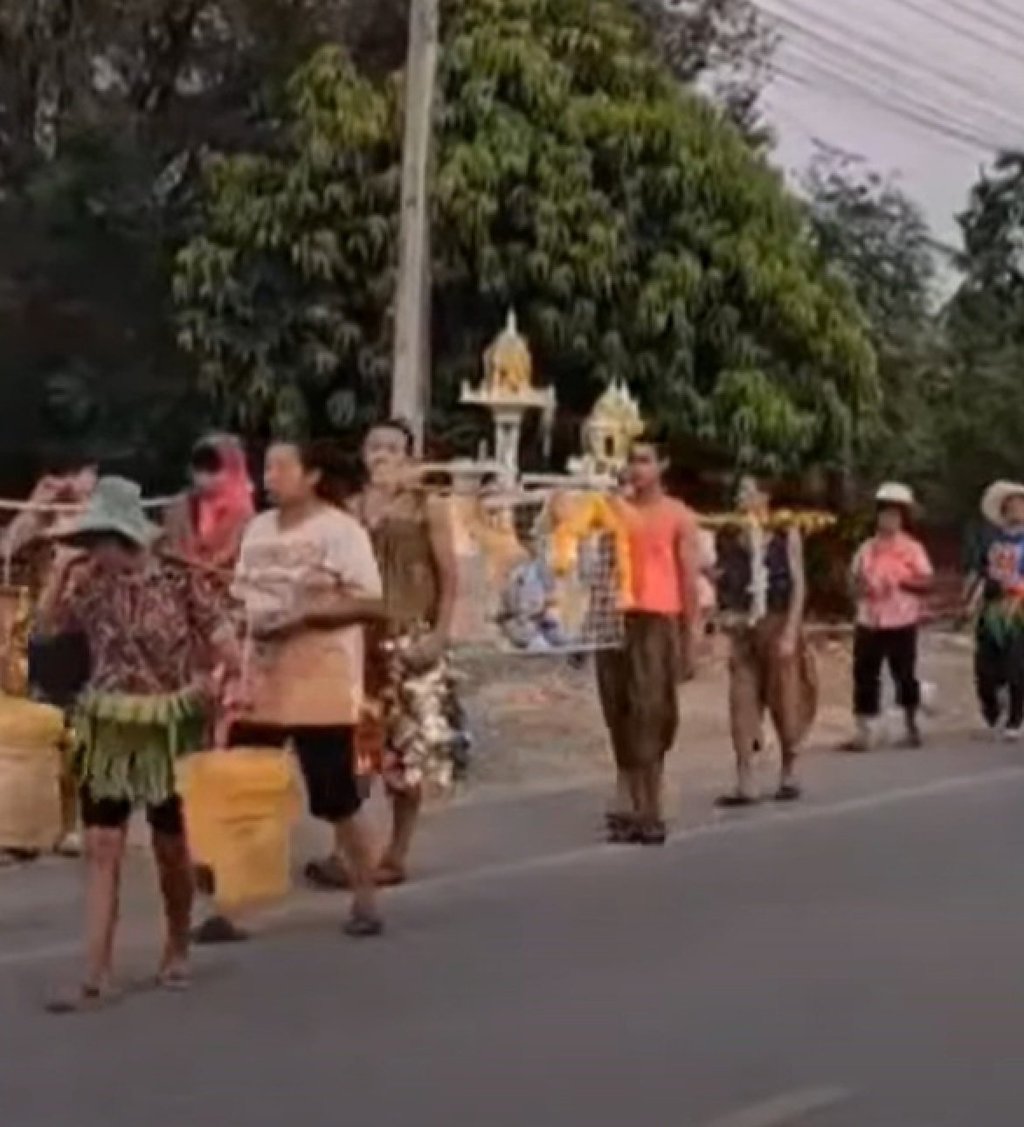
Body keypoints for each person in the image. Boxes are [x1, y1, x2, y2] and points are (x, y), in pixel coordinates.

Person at [34, 477, 240, 1013]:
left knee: (170, 847)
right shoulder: (89, 583)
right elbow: (46, 629)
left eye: (100, 538)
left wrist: (209, 684)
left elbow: (226, 645)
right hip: (108, 723)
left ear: (122, 535)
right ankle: (96, 971)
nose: (94, 550)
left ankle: (176, 944)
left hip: (165, 724)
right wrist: (58, 575)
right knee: (103, 846)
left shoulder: (178, 581)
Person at [198, 439, 385, 942]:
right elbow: (241, 596)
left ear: (313, 476)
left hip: (321, 682)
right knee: (243, 788)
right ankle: (233, 905)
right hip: (258, 681)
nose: (271, 475)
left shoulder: (341, 532)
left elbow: (370, 603)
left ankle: (365, 896)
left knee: (335, 796)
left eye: (283, 466)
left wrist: (305, 616)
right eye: (268, 466)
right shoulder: (257, 529)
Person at [305, 420, 465, 889]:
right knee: (359, 750)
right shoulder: (351, 509)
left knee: (407, 749)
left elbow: (450, 577)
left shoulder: (427, 508)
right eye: (375, 446)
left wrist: (439, 634)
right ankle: (348, 850)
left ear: (411, 456)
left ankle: (397, 851)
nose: (383, 455)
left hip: (409, 635)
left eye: (393, 447)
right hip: (360, 642)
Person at [597, 438, 701, 846]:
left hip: (658, 616)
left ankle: (651, 806)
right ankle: (628, 803)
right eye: (631, 461)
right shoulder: (611, 511)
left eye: (644, 461)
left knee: (652, 712)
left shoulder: (677, 515)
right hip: (613, 616)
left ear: (662, 465)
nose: (636, 469)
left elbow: (689, 578)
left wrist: (692, 635)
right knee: (617, 709)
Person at [1, 461, 97, 862]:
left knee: (70, 737)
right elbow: (6, 551)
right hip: (25, 641)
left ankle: (68, 824)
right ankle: (16, 827)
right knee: (20, 741)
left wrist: (82, 509)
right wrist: (35, 509)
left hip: (76, 644)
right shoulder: (33, 532)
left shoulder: (94, 534)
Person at [715, 476, 817, 806]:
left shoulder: (786, 532)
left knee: (786, 700)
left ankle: (789, 770)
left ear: (765, 496)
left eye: (749, 491)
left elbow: (799, 585)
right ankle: (745, 778)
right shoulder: (730, 536)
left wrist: (791, 631)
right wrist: (723, 617)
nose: (742, 497)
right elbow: (722, 582)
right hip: (743, 627)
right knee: (741, 701)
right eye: (739, 491)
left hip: (776, 621)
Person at [846, 483, 933, 750]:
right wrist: (862, 588)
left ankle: (911, 725)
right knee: (864, 674)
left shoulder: (912, 549)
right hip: (870, 619)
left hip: (902, 619)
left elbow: (927, 582)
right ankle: (866, 731)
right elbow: (852, 581)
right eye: (885, 515)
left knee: (904, 673)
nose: (888, 521)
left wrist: (900, 582)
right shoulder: (867, 548)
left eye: (895, 516)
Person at [970, 481, 1024, 739]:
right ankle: (992, 709)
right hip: (992, 609)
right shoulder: (991, 541)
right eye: (1010, 505)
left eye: (1020, 504)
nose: (1016, 509)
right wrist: (973, 600)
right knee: (985, 667)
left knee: (1016, 665)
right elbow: (981, 572)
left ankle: (1016, 718)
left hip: (1019, 610)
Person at [163, 434, 255, 574]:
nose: (203, 476)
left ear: (234, 469)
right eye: (198, 467)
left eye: (212, 468)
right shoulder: (178, 508)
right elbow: (169, 549)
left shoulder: (244, 515)